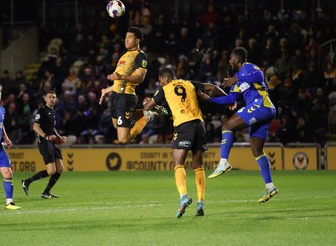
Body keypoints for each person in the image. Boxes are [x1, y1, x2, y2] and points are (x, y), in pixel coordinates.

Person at [143, 67, 226, 218]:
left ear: (166, 79)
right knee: (198, 165)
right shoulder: (190, 83)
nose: (161, 84)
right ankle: (200, 203)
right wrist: (228, 100)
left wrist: (149, 103)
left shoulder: (165, 88)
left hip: (183, 125)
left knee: (178, 163)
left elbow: (147, 107)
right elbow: (212, 87)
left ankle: (183, 196)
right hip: (199, 125)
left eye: (161, 82)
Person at [200, 47, 278, 203]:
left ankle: (223, 162)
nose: (229, 61)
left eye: (231, 58)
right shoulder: (238, 77)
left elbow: (259, 74)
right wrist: (210, 99)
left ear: (237, 59)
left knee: (227, 126)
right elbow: (230, 100)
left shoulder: (249, 67)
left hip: (262, 104)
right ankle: (270, 187)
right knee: (257, 149)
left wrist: (236, 79)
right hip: (263, 110)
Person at [99, 27, 165, 144]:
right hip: (116, 95)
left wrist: (121, 77)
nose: (126, 40)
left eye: (130, 37)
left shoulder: (140, 56)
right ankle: (145, 111)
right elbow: (119, 81)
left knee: (123, 139)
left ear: (137, 40)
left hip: (126, 96)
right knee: (116, 125)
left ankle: (147, 115)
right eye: (125, 37)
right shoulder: (124, 55)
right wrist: (106, 90)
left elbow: (140, 78)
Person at [21, 90, 67, 199]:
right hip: (45, 142)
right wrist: (46, 136)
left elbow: (52, 128)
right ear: (45, 99)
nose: (52, 99)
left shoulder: (53, 112)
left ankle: (46, 192)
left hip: (52, 142)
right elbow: (35, 127)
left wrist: (60, 137)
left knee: (60, 169)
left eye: (54, 97)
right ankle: (27, 181)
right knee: (51, 171)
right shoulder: (41, 111)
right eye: (50, 97)